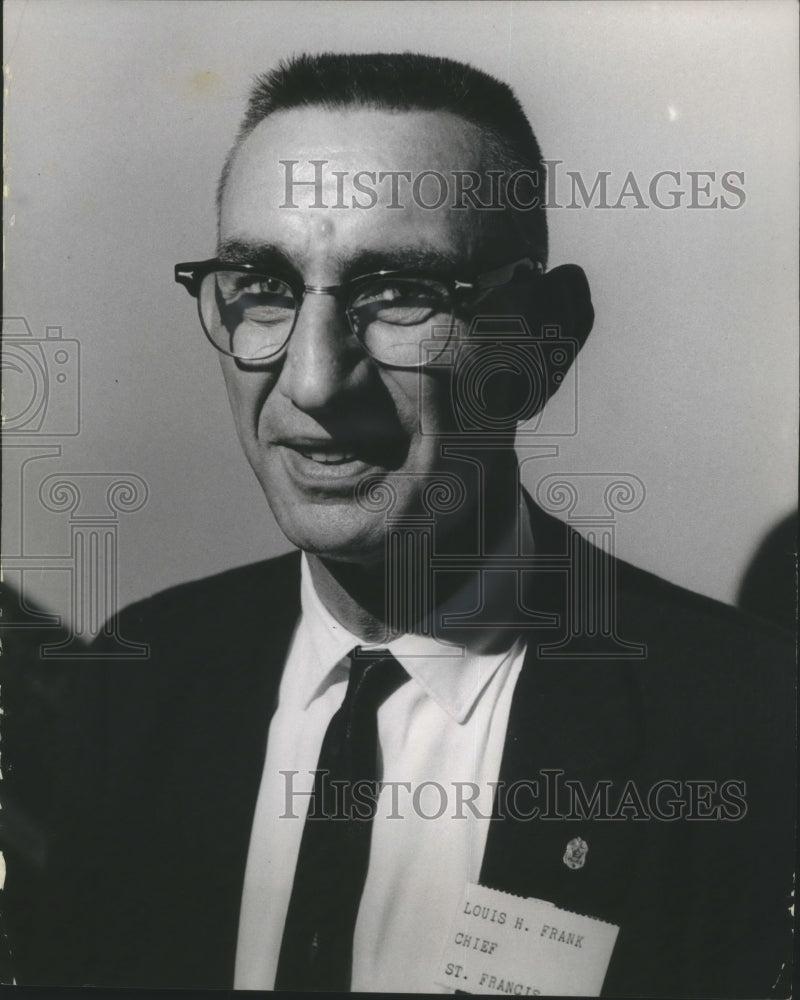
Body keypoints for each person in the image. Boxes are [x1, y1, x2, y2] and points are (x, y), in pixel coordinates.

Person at [7, 52, 793, 996]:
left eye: (400, 294)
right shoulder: (141, 680)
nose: (310, 382)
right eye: (262, 286)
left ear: (545, 341)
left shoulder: (751, 727)